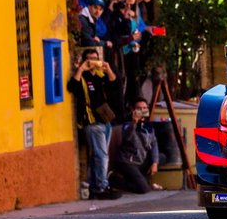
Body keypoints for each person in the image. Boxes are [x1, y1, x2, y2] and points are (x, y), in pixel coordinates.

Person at [66, 49, 122, 200]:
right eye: (89, 59)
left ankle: (94, 187)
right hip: (92, 122)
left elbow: (115, 84)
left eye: (95, 58)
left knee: (98, 157)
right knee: (102, 156)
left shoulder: (100, 76)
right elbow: (72, 87)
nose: (92, 62)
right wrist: (81, 68)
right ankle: (101, 186)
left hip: (106, 121)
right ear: (84, 60)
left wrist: (107, 68)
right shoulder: (82, 77)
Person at [110, 98, 162, 194]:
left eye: (144, 108)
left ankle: (143, 180)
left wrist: (155, 162)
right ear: (133, 110)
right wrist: (134, 123)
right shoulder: (128, 124)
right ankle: (114, 181)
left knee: (161, 157)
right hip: (127, 161)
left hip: (141, 160)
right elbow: (127, 136)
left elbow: (154, 144)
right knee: (143, 189)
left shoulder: (148, 125)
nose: (142, 110)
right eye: (139, 108)